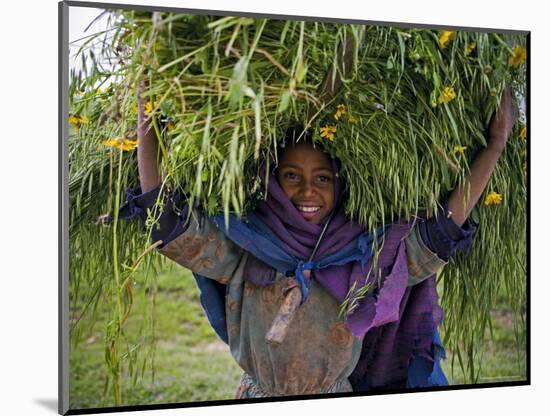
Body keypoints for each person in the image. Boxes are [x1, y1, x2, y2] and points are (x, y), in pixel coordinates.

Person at [120, 84, 517, 397]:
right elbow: (166, 220)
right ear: (272, 181)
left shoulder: (367, 259)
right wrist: (147, 122)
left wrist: (496, 143)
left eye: (322, 178)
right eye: (292, 175)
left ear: (341, 185)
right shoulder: (246, 249)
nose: (307, 190)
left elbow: (440, 232)